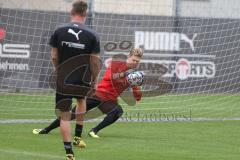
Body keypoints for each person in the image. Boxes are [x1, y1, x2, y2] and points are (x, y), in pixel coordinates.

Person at [33, 48, 143, 139]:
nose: (135, 63)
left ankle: (94, 130)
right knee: (73, 114)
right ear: (128, 57)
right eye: (133, 60)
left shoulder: (134, 75)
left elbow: (137, 97)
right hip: (98, 95)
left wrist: (137, 85)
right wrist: (125, 74)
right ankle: (46, 129)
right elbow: (110, 77)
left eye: (137, 61)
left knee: (117, 112)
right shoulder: (116, 64)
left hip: (110, 100)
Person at [48, 1, 100, 160]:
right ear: (85, 14)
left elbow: (54, 56)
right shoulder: (92, 35)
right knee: (81, 100)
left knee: (64, 116)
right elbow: (95, 62)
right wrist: (94, 80)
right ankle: (78, 136)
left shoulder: (59, 30)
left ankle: (69, 152)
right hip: (82, 78)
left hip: (63, 77)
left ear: (72, 11)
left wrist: (58, 70)